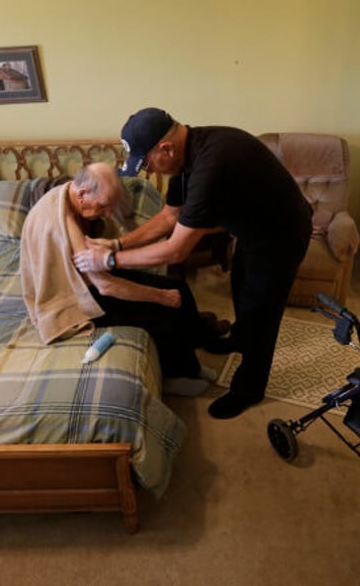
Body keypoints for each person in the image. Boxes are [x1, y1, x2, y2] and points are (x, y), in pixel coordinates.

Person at [73, 108, 313, 419]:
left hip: (282, 233)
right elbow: (168, 217)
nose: (149, 171)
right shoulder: (185, 159)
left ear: (166, 148)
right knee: (242, 289)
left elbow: (176, 251)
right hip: (252, 230)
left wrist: (108, 258)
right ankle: (238, 340)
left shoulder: (212, 165)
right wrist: (118, 243)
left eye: (146, 163)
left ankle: (249, 388)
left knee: (262, 311)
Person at [20, 162, 217, 396]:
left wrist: (116, 247)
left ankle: (194, 359)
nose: (106, 213)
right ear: (83, 193)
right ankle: (172, 377)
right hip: (75, 294)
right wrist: (161, 296)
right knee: (161, 313)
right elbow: (105, 286)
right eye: (103, 207)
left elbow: (120, 236)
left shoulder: (77, 195)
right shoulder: (63, 220)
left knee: (179, 287)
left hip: (92, 277)